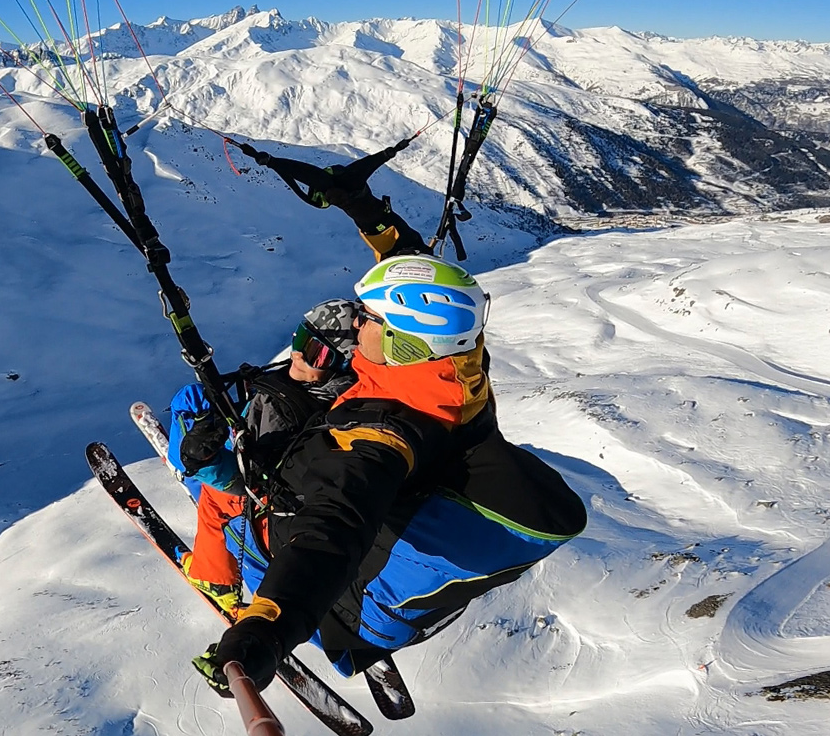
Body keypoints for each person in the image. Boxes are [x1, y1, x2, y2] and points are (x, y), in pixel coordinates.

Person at [190, 165, 589, 694]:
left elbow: (332, 531)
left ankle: (216, 580)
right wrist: (361, 205)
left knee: (213, 487)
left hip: (306, 559)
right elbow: (416, 269)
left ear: (402, 340)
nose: (360, 325)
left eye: (372, 321)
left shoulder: (382, 432)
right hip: (396, 494)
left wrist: (269, 626)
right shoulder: (455, 363)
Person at [164, 299, 363, 615]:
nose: (298, 353)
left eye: (317, 352)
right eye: (300, 339)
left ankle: (213, 578)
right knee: (190, 397)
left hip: (253, 488)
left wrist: (202, 459)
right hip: (243, 447)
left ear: (343, 363)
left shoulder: (314, 415)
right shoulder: (311, 384)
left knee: (213, 496)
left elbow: (249, 483)